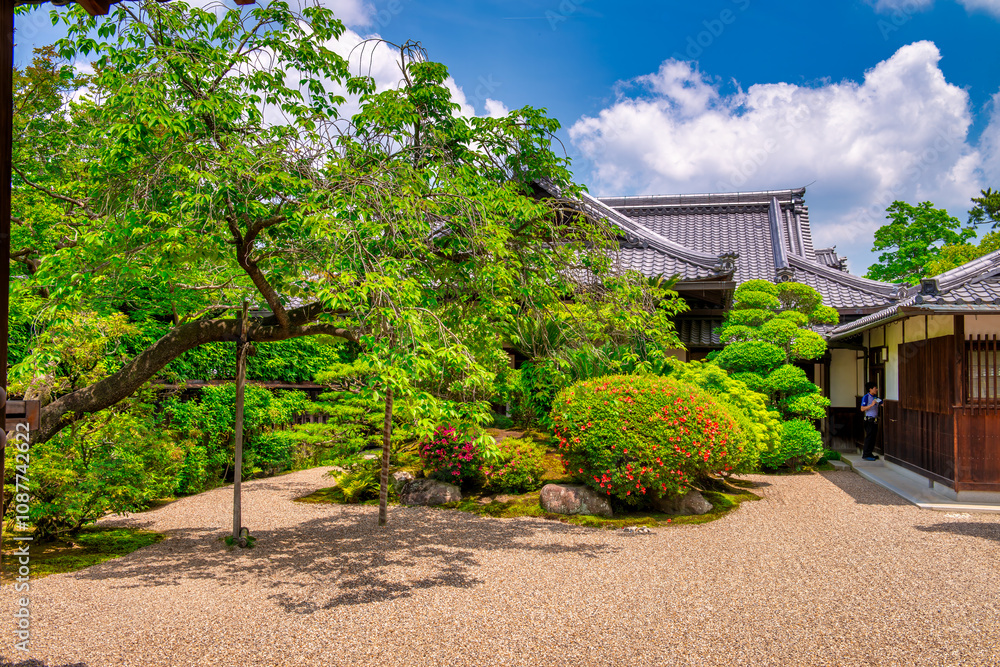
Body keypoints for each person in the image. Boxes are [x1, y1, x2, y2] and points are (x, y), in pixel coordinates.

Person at [859, 381, 882, 461]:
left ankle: (870, 453)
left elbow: (882, 403)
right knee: (869, 437)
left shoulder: (875, 397)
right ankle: (865, 454)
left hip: (875, 420)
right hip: (869, 420)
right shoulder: (866, 397)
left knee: (873, 437)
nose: (877, 389)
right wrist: (871, 405)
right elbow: (862, 409)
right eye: (875, 388)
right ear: (870, 389)